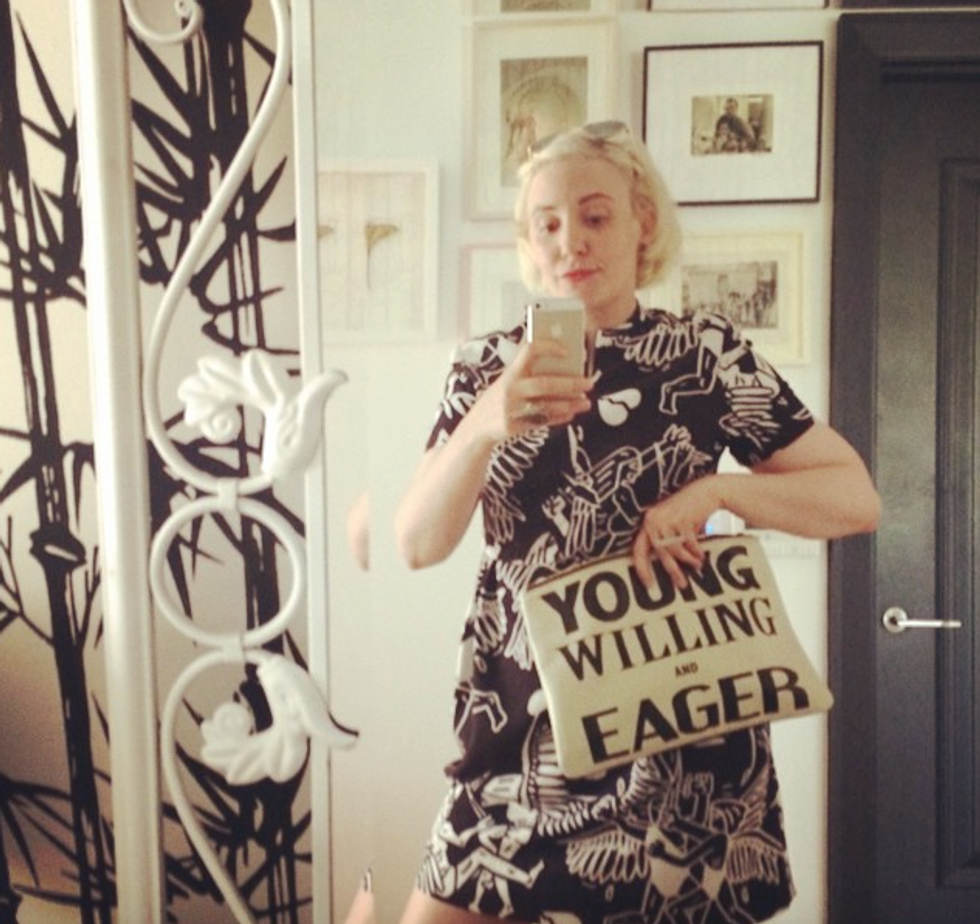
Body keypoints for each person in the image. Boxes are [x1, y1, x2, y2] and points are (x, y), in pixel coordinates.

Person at [394, 121, 880, 924]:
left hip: (679, 739)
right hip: (521, 739)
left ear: (641, 222)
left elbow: (854, 497)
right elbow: (418, 543)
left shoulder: (705, 355)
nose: (571, 242)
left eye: (595, 215)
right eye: (548, 223)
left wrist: (718, 493)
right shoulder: (485, 368)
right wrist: (484, 423)